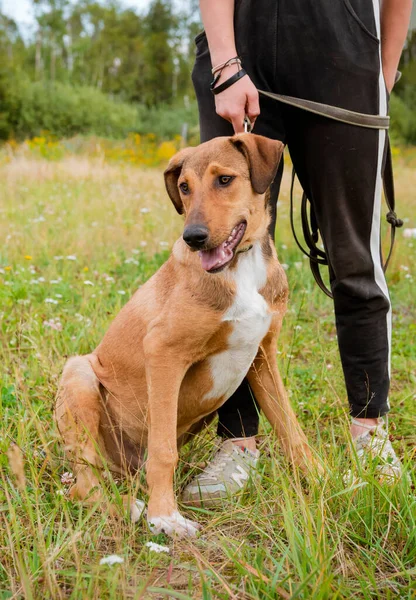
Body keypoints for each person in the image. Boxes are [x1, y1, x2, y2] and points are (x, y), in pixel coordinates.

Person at [181, 0, 413, 506]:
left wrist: (384, 69)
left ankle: (369, 431)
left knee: (356, 257)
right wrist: (225, 61)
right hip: (240, 50)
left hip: (345, 56)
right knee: (227, 254)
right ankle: (238, 440)